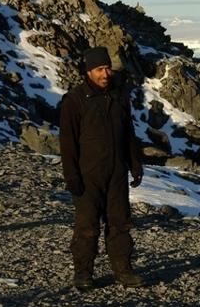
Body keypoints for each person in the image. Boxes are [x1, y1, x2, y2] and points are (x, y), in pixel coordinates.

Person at [59, 46, 144, 291]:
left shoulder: (118, 96)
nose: (105, 73)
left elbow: (128, 134)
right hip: (88, 175)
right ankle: (83, 274)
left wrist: (135, 163)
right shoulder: (74, 101)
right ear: (88, 72)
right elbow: (67, 143)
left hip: (116, 172)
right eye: (99, 69)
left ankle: (123, 271)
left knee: (120, 223)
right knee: (87, 226)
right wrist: (71, 176)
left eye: (107, 68)